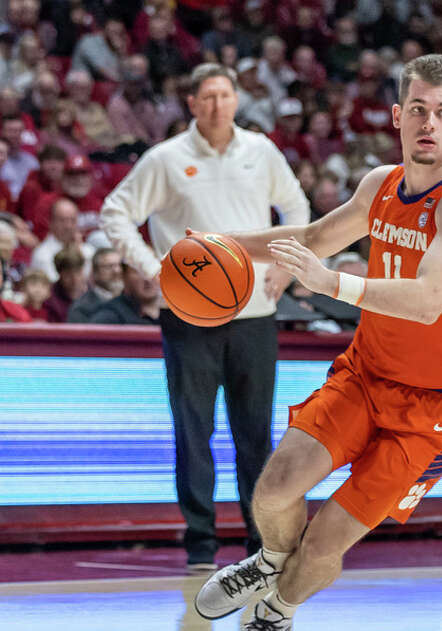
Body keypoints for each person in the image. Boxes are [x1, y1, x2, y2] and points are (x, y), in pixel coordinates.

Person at [191, 54, 442, 631]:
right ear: (397, 115)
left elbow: (430, 300)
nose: (429, 123)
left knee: (327, 541)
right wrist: (220, 244)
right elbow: (309, 240)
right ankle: (267, 562)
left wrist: (332, 284)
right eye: (418, 109)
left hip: (439, 407)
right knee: (275, 488)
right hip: (367, 374)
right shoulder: (381, 184)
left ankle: (275, 612)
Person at [100, 63, 309, 572]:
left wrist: (285, 268)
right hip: (186, 315)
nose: (218, 104)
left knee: (254, 434)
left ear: (236, 100)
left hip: (256, 314)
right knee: (192, 431)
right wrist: (156, 270)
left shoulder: (261, 151)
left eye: (225, 95)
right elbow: (115, 213)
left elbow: (299, 209)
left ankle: (262, 542)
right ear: (191, 104)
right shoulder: (166, 159)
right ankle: (200, 542)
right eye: (207, 96)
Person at [67, 247, 123, 322]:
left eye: (120, 265)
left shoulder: (136, 302)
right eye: (109, 267)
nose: (117, 271)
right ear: (94, 272)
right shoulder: (81, 308)